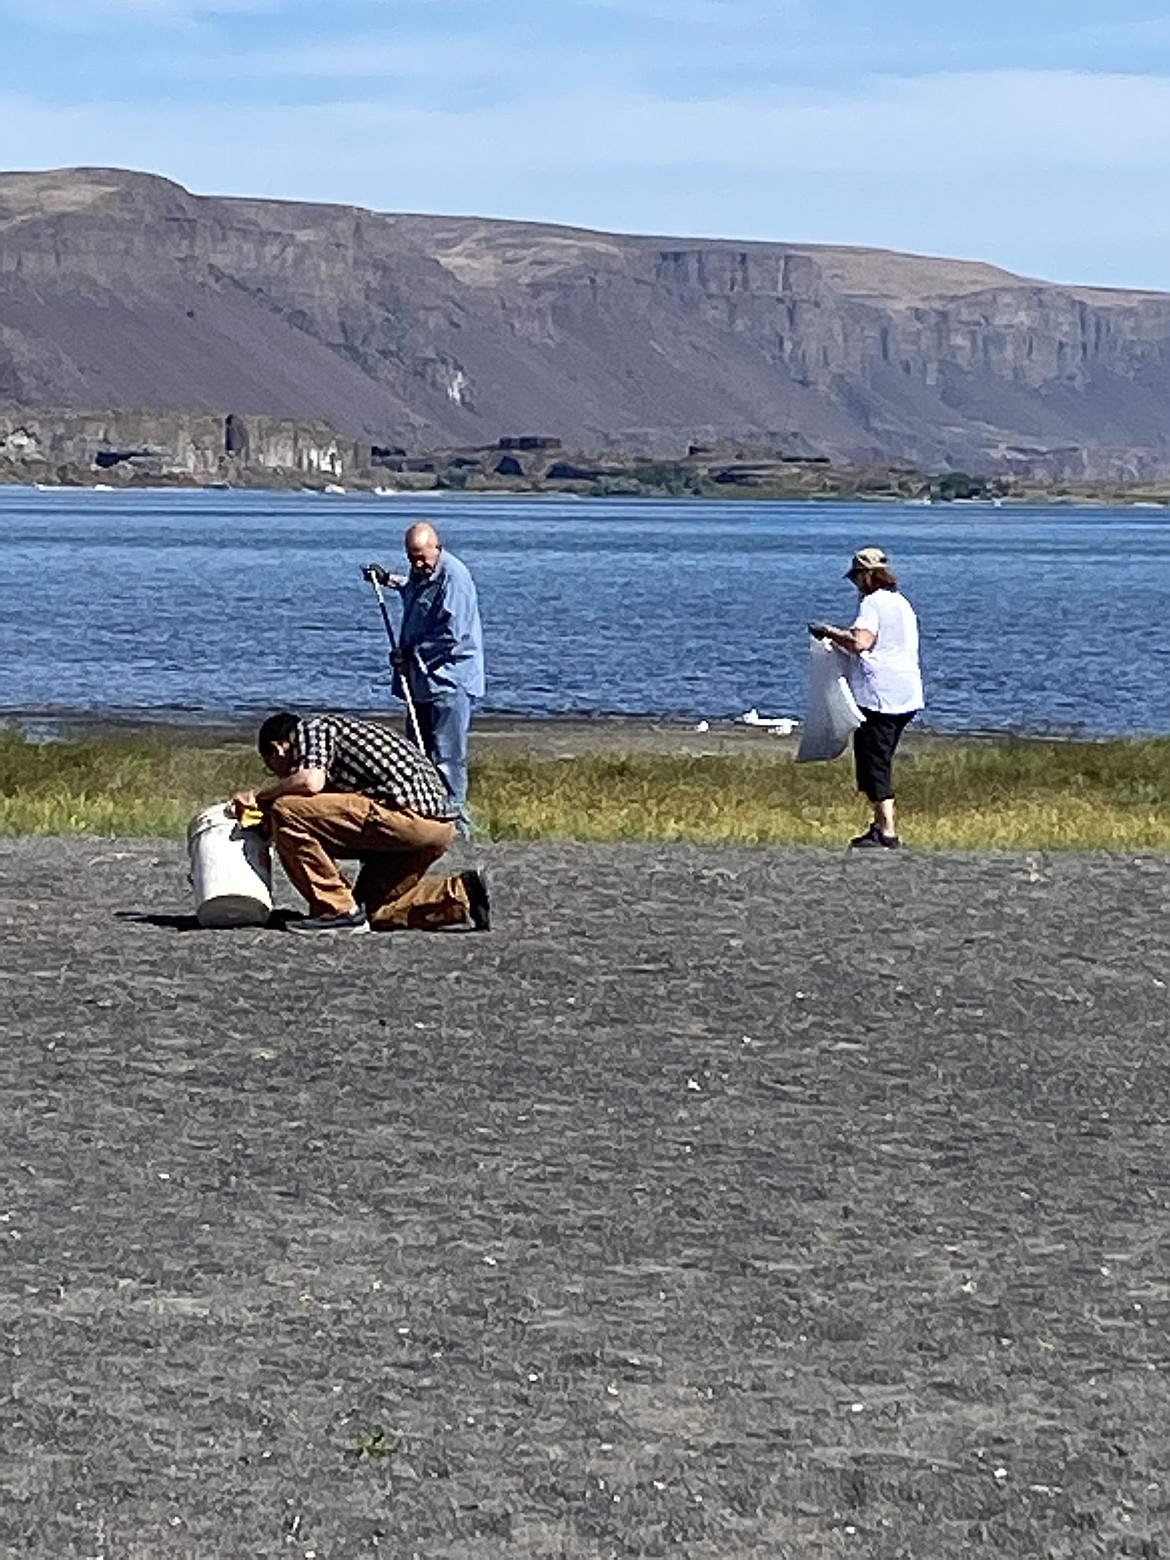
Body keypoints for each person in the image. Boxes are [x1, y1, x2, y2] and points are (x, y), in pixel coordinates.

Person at [231, 710, 491, 935]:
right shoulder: (339, 747)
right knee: (373, 912)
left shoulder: (310, 729)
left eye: (272, 766)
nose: (279, 775)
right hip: (437, 827)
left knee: (285, 809)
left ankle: (335, 911)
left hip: (406, 815)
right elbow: (325, 814)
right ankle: (462, 894)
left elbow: (310, 782)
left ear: (277, 749)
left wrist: (259, 796)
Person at [364, 522, 484, 826]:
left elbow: (452, 635)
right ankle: (423, 816)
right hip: (420, 683)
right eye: (411, 557)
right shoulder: (421, 575)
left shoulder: (453, 578)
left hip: (449, 681)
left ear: (437, 548)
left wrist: (411, 653)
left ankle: (456, 823)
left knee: (446, 756)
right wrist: (387, 580)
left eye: (422, 557)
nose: (417, 564)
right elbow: (413, 592)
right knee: (416, 754)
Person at [809, 546, 923, 849]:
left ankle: (887, 830)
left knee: (874, 760)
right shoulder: (901, 603)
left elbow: (861, 642)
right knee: (879, 756)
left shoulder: (872, 604)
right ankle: (878, 824)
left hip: (879, 695)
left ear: (866, 576)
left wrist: (830, 632)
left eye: (857, 578)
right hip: (907, 692)